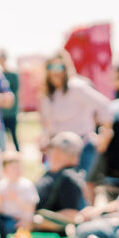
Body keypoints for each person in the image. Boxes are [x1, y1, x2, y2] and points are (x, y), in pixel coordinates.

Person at [39, 50, 113, 198]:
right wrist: (45, 139)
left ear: (66, 68)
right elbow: (47, 122)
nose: (55, 72)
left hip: (82, 147)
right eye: (50, 68)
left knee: (77, 187)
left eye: (59, 67)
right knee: (56, 187)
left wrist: (106, 133)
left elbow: (104, 106)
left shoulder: (77, 87)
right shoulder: (48, 93)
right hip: (58, 148)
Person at [32, 131, 87, 232]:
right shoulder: (52, 172)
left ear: (59, 152)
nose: (49, 152)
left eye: (52, 149)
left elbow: (71, 216)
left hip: (44, 236)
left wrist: (34, 222)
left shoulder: (69, 178)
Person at [0, 151, 37, 238]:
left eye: (18, 167)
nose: (17, 171)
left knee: (10, 229)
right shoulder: (0, 186)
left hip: (20, 219)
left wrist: (16, 199)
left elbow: (30, 208)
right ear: (5, 170)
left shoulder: (26, 185)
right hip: (4, 218)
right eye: (13, 168)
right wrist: (0, 200)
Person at [0, 50, 20, 151]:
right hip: (2, 112)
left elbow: (14, 91)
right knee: (3, 138)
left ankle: (18, 153)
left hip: (12, 111)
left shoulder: (13, 74)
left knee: (14, 135)